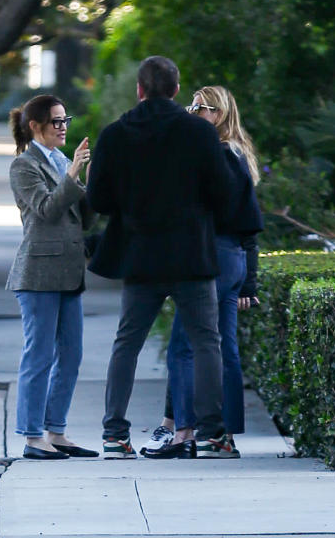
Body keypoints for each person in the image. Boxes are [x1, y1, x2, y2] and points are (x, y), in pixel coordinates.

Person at [87, 56, 240, 459]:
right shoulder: (199, 134)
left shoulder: (115, 135)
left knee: (127, 344)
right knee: (207, 342)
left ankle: (114, 435)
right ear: (175, 90)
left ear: (139, 90)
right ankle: (210, 435)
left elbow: (98, 200)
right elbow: (224, 194)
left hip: (139, 255)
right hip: (191, 255)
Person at [142, 86, 264, 459]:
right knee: (221, 347)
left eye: (203, 107)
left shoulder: (219, 155)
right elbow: (250, 221)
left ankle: (185, 434)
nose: (193, 112)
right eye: (191, 105)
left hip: (210, 259)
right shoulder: (235, 153)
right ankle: (220, 436)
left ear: (221, 114)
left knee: (184, 347)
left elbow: (221, 213)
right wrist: (248, 275)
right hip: (229, 260)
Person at [7, 94, 98, 460]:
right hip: (38, 274)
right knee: (39, 356)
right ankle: (32, 436)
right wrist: (73, 174)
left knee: (72, 355)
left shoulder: (61, 161)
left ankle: (56, 431)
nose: (63, 127)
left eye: (65, 120)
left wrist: (89, 182)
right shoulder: (24, 166)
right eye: (56, 121)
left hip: (69, 272)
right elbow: (45, 210)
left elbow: (82, 219)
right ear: (35, 126)